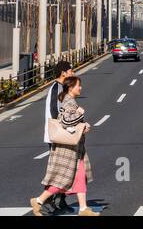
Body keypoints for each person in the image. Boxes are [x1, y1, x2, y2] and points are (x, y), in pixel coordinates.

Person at [31, 75, 98, 216]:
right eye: (78, 85)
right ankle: (38, 200)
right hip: (68, 149)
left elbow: (70, 123)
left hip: (76, 148)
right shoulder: (69, 102)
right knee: (62, 179)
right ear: (70, 87)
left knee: (80, 176)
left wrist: (82, 126)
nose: (80, 88)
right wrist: (81, 117)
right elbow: (66, 122)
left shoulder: (70, 100)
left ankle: (83, 208)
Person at [36, 60, 74, 215]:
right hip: (57, 135)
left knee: (64, 170)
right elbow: (54, 111)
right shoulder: (56, 88)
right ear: (63, 73)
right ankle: (45, 201)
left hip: (62, 135)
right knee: (57, 170)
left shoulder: (63, 88)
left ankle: (60, 200)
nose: (72, 72)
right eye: (70, 70)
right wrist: (64, 127)